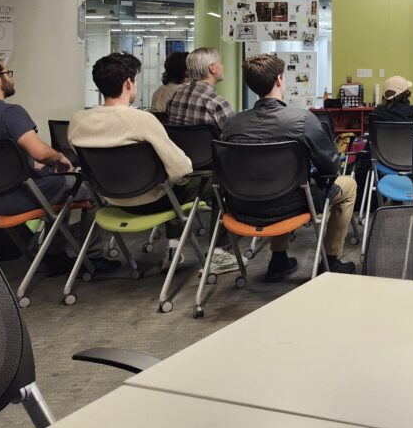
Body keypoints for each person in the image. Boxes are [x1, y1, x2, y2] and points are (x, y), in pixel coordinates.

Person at [0, 57, 115, 274]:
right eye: (7, 73)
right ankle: (91, 257)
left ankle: (55, 253)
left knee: (61, 187)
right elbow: (40, 152)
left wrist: (29, 165)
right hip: (22, 196)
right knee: (92, 193)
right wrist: (59, 157)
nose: (11, 77)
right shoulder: (10, 113)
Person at [221, 54, 357, 280]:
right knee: (348, 185)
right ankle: (330, 261)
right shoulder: (302, 119)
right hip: (291, 203)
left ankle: (279, 260)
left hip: (241, 205)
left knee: (274, 182)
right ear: (279, 80)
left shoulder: (232, 123)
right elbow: (331, 165)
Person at [67, 53, 195, 265]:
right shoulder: (142, 119)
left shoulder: (78, 120)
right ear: (129, 82)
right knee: (202, 182)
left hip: (109, 200)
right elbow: (181, 170)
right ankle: (184, 249)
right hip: (153, 200)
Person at [167, 47, 235, 129]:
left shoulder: (176, 95)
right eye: (220, 63)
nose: (223, 67)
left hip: (178, 142)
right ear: (212, 68)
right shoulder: (217, 103)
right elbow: (235, 135)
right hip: (208, 142)